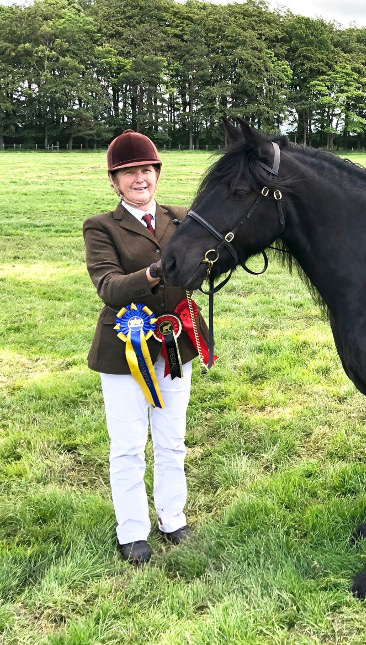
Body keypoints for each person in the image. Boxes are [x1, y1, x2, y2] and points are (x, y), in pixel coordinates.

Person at [83, 130, 210, 564]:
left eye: (146, 170)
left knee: (173, 439)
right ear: (114, 181)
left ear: (157, 173)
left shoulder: (183, 217)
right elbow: (110, 286)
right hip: (124, 354)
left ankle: (173, 518)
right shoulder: (101, 227)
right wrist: (157, 272)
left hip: (176, 345)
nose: (140, 178)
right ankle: (133, 531)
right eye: (129, 172)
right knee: (128, 444)